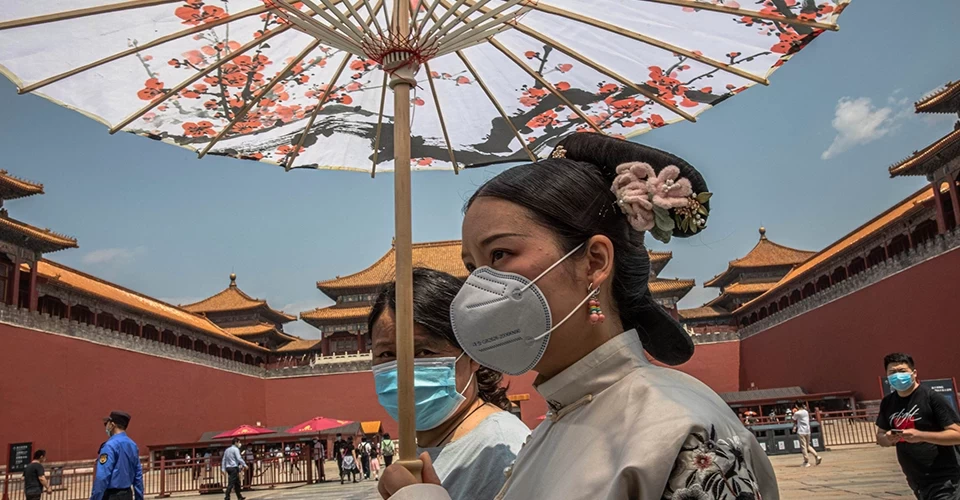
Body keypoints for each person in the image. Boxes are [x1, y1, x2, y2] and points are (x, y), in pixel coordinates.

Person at [380, 134, 777, 500]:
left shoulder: (680, 431)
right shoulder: (554, 426)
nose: (479, 288)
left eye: (499, 255)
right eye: (473, 269)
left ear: (595, 262)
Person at [369, 268, 531, 500]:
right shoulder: (421, 449)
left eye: (424, 352)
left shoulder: (500, 448)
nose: (403, 370)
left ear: (472, 352)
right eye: (386, 354)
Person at [876, 353, 960, 499]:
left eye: (902, 371)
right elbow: (880, 436)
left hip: (945, 479)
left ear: (914, 373)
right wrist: (888, 438)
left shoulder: (932, 397)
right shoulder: (888, 402)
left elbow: (957, 434)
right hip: (917, 480)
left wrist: (921, 435)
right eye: (892, 372)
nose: (897, 376)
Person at [91, 411, 144, 500]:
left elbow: (102, 476)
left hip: (111, 495)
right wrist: (139, 497)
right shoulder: (132, 445)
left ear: (112, 424)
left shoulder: (109, 446)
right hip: (127, 494)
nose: (106, 426)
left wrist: (95, 498)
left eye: (106, 424)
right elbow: (138, 475)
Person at [792, 402, 822, 467]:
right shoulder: (806, 411)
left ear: (797, 405)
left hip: (801, 431)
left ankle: (806, 461)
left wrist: (794, 412)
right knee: (807, 446)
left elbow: (793, 419)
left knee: (803, 446)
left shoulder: (797, 413)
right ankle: (817, 456)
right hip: (808, 430)